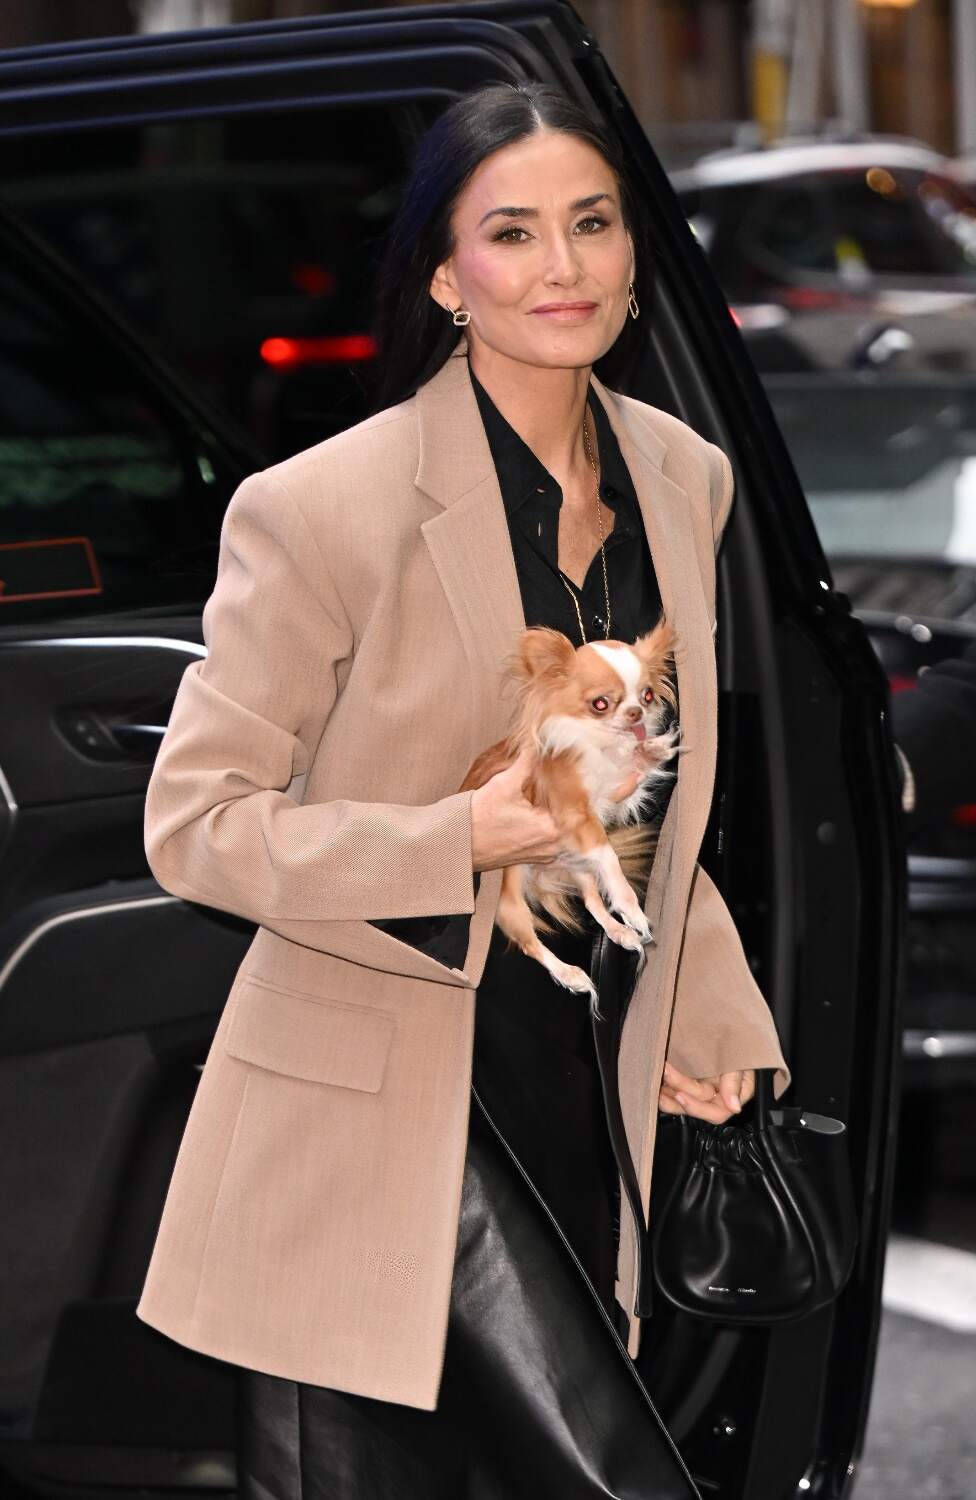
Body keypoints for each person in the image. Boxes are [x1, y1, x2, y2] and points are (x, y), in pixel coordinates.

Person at [134, 81, 789, 1498]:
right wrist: (456, 840)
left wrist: (710, 1006)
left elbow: (656, 804)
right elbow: (194, 823)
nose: (562, 267)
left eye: (592, 224)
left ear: (632, 253)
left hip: (585, 1079)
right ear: (445, 274)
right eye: (512, 233)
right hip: (383, 1119)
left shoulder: (688, 479)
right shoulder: (322, 508)